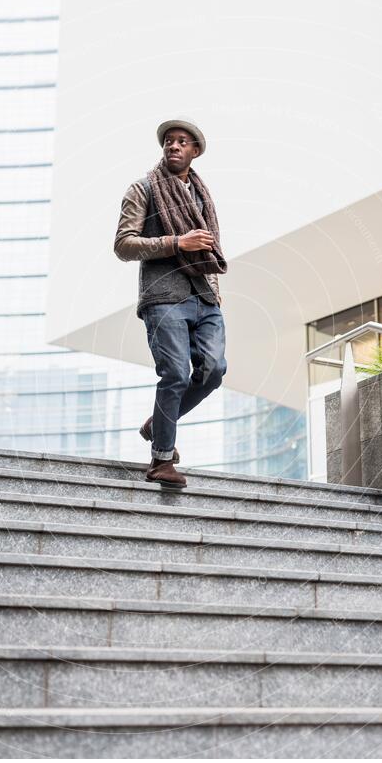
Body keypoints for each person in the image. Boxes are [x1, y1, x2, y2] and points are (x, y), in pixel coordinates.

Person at [114, 117, 228, 488]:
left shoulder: (202, 193)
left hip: (204, 296)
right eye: (169, 141)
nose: (174, 146)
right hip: (163, 297)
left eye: (183, 142)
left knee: (213, 371)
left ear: (195, 151)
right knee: (176, 374)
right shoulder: (143, 188)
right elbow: (123, 244)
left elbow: (208, 244)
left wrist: (212, 284)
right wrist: (177, 243)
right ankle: (161, 460)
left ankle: (158, 422)